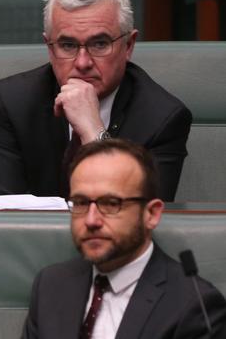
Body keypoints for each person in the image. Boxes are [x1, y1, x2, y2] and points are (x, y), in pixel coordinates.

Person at [0, 0, 191, 201]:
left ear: (128, 46)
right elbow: (1, 212)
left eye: (100, 44)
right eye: (68, 45)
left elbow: (138, 217)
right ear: (50, 48)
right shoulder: (14, 102)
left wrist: (94, 133)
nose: (82, 63)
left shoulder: (162, 118)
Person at [22, 139, 226, 339]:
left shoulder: (193, 305)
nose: (91, 220)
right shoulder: (51, 285)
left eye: (111, 203)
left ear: (151, 214)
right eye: (81, 203)